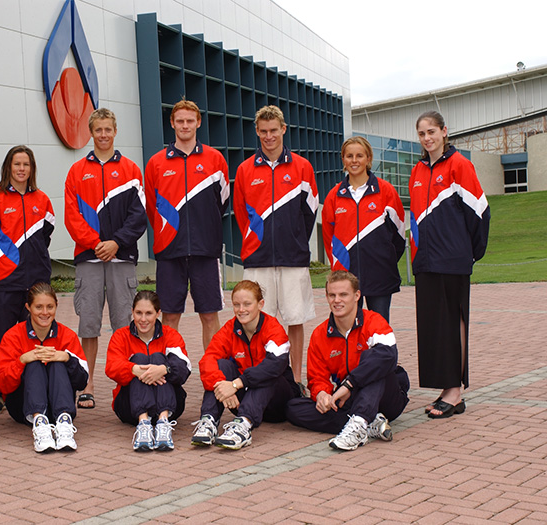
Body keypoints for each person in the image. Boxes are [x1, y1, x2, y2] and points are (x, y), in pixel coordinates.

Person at [64, 108, 147, 410]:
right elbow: (72, 217)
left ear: (115, 131)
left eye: (107, 129)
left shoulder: (130, 170)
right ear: (91, 132)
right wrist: (96, 243)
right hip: (88, 258)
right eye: (97, 130)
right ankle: (87, 385)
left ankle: (127, 382)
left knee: (125, 325)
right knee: (88, 324)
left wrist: (116, 243)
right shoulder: (76, 172)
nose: (103, 135)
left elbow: (139, 217)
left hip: (122, 258)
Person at [410, 111, 490, 418]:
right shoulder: (417, 171)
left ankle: (456, 392)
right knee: (435, 328)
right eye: (422, 134)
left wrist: (469, 252)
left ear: (445, 131)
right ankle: (446, 388)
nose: (427, 138)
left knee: (453, 323)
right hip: (426, 262)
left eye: (432, 131)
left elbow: (480, 213)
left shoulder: (459, 165)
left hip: (453, 261)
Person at [233, 105, 318, 392]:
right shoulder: (245, 169)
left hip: (293, 258)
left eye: (274, 130)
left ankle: (295, 380)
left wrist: (293, 239)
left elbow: (310, 212)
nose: (269, 136)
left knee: (295, 319)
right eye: (263, 131)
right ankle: (261, 380)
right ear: (257, 132)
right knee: (255, 324)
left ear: (283, 129)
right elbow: (240, 214)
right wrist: (257, 239)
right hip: (257, 259)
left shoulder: (302, 167)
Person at [286, 271, 410, 451]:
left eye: (343, 294)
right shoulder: (320, 334)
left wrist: (349, 385)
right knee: (293, 408)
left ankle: (359, 424)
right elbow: (317, 377)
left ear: (357, 296)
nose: (337, 300)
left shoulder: (374, 321)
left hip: (387, 395)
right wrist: (322, 395)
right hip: (350, 398)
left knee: (374, 361)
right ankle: (369, 422)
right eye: (332, 295)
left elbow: (388, 356)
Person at [144, 99, 229, 350]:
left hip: (206, 250)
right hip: (170, 251)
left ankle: (212, 375)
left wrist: (205, 228)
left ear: (198, 123)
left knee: (210, 315)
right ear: (172, 123)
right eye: (179, 121)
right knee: (169, 316)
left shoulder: (215, 159)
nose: (185, 125)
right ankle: (171, 376)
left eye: (189, 120)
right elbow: (151, 206)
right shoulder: (156, 163)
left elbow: (222, 202)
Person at [0, 146, 55, 416]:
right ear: (8, 167)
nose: (21, 169)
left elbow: (45, 236)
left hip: (35, 286)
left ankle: (28, 391)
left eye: (26, 164)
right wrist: (4, 263)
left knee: (34, 339)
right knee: (0, 340)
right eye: (16, 164)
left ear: (32, 168)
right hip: (3, 284)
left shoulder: (42, 199)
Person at [193, 280, 299, 450]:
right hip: (240, 400)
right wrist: (224, 389)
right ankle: (208, 421)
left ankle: (244, 426)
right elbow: (207, 360)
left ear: (260, 304)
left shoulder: (272, 327)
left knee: (266, 372)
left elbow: (275, 365)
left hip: (277, 402)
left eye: (247, 304)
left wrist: (236, 384)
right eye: (236, 304)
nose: (241, 310)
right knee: (221, 365)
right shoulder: (230, 329)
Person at [0, 282, 89, 453]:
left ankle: (64, 423)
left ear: (56, 306)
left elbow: (82, 381)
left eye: (50, 307)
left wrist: (67, 358)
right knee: (34, 362)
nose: (45, 313)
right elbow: (2, 384)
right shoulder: (13, 336)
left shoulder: (67, 335)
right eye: (38, 307)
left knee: (57, 361)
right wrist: (22, 360)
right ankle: (40, 425)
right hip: (24, 409)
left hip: (59, 407)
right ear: (28, 307)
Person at [321, 137, 405, 322]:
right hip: (346, 278)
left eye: (359, 155)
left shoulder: (386, 191)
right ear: (343, 159)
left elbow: (399, 235)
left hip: (380, 275)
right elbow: (329, 239)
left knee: (379, 331)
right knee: (349, 331)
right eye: (349, 156)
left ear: (369, 158)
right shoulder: (333, 197)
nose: (354, 160)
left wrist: (385, 259)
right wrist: (339, 269)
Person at [105, 290, 192, 452]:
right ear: (132, 312)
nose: (143, 319)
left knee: (159, 359)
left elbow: (184, 367)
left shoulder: (170, 334)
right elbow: (111, 367)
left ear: (158, 313)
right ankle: (143, 424)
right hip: (130, 408)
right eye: (138, 313)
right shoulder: (120, 336)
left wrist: (163, 369)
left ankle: (163, 423)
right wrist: (134, 369)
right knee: (139, 359)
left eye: (149, 313)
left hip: (171, 405)